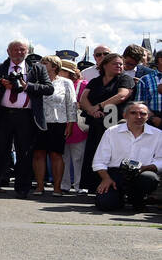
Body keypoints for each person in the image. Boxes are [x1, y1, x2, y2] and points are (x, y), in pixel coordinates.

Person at [0, 39, 53, 198]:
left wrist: (27, 86)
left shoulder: (37, 68)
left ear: (27, 52)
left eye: (22, 50)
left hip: (26, 116)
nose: (19, 53)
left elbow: (49, 88)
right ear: (8, 52)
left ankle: (22, 188)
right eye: (15, 50)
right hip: (3, 115)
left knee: (24, 154)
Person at [78, 52, 135, 194]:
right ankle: (93, 185)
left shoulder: (125, 79)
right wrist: (92, 110)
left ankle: (113, 187)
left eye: (121, 64)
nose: (119, 66)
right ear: (104, 65)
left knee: (111, 154)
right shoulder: (95, 81)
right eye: (115, 63)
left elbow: (122, 95)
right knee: (94, 152)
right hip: (96, 124)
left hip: (115, 125)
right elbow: (84, 98)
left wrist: (99, 106)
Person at [91, 102, 162, 211]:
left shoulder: (158, 135)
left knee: (149, 178)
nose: (138, 117)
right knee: (105, 204)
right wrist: (106, 179)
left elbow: (160, 160)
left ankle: (138, 197)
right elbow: (99, 161)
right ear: (125, 115)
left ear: (148, 117)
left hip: (141, 173)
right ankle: (119, 198)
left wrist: (145, 168)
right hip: (116, 174)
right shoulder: (111, 132)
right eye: (133, 113)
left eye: (143, 114)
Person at [34, 55, 78, 196]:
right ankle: (40, 186)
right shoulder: (35, 81)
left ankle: (57, 188)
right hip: (38, 122)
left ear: (54, 66)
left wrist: (71, 124)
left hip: (58, 123)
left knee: (56, 154)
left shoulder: (66, 83)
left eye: (45, 63)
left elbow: (71, 104)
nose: (41, 65)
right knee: (38, 154)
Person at [61, 60, 90, 194]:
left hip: (78, 125)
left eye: (61, 70)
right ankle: (64, 184)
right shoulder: (57, 83)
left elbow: (90, 102)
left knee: (79, 157)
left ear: (69, 72)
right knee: (63, 157)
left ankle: (80, 185)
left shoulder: (83, 84)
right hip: (61, 123)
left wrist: (80, 105)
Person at [123, 44, 162, 130]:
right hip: (151, 120)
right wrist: (152, 118)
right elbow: (141, 102)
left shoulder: (146, 73)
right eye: (129, 63)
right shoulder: (115, 70)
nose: (131, 65)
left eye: (135, 63)